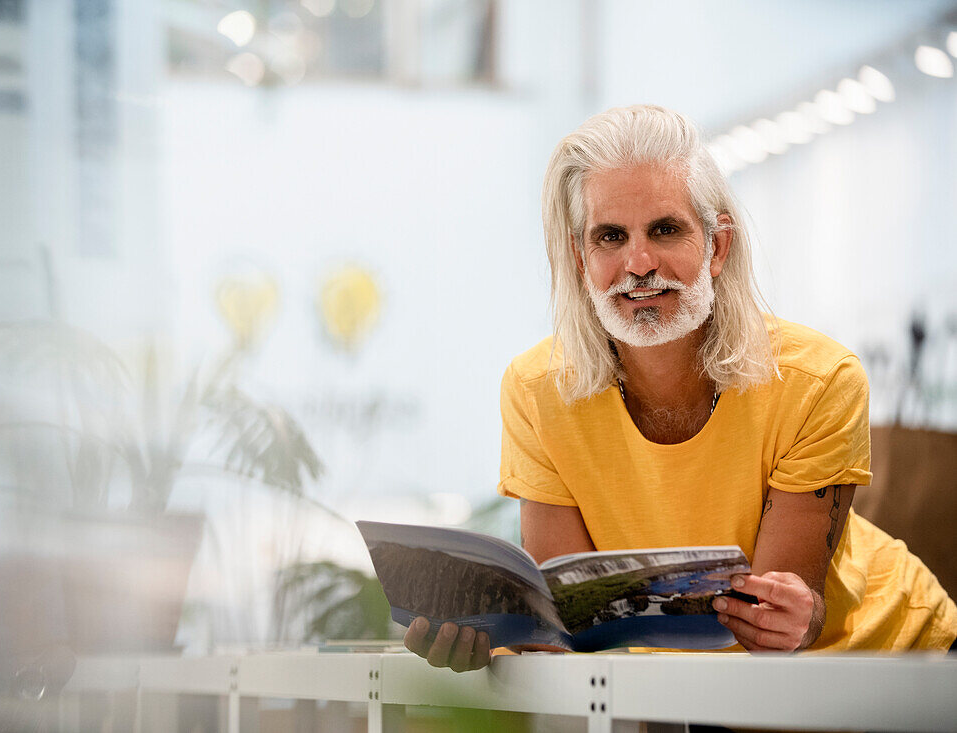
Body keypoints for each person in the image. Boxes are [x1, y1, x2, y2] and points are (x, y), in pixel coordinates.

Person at [404, 104, 957, 672]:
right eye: (610, 237)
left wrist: (795, 612)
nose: (638, 263)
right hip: (699, 689)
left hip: (896, 664)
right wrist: (496, 633)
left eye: (665, 230)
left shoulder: (818, 379)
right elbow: (572, 624)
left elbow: (777, 623)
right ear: (580, 258)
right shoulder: (538, 390)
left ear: (717, 247)